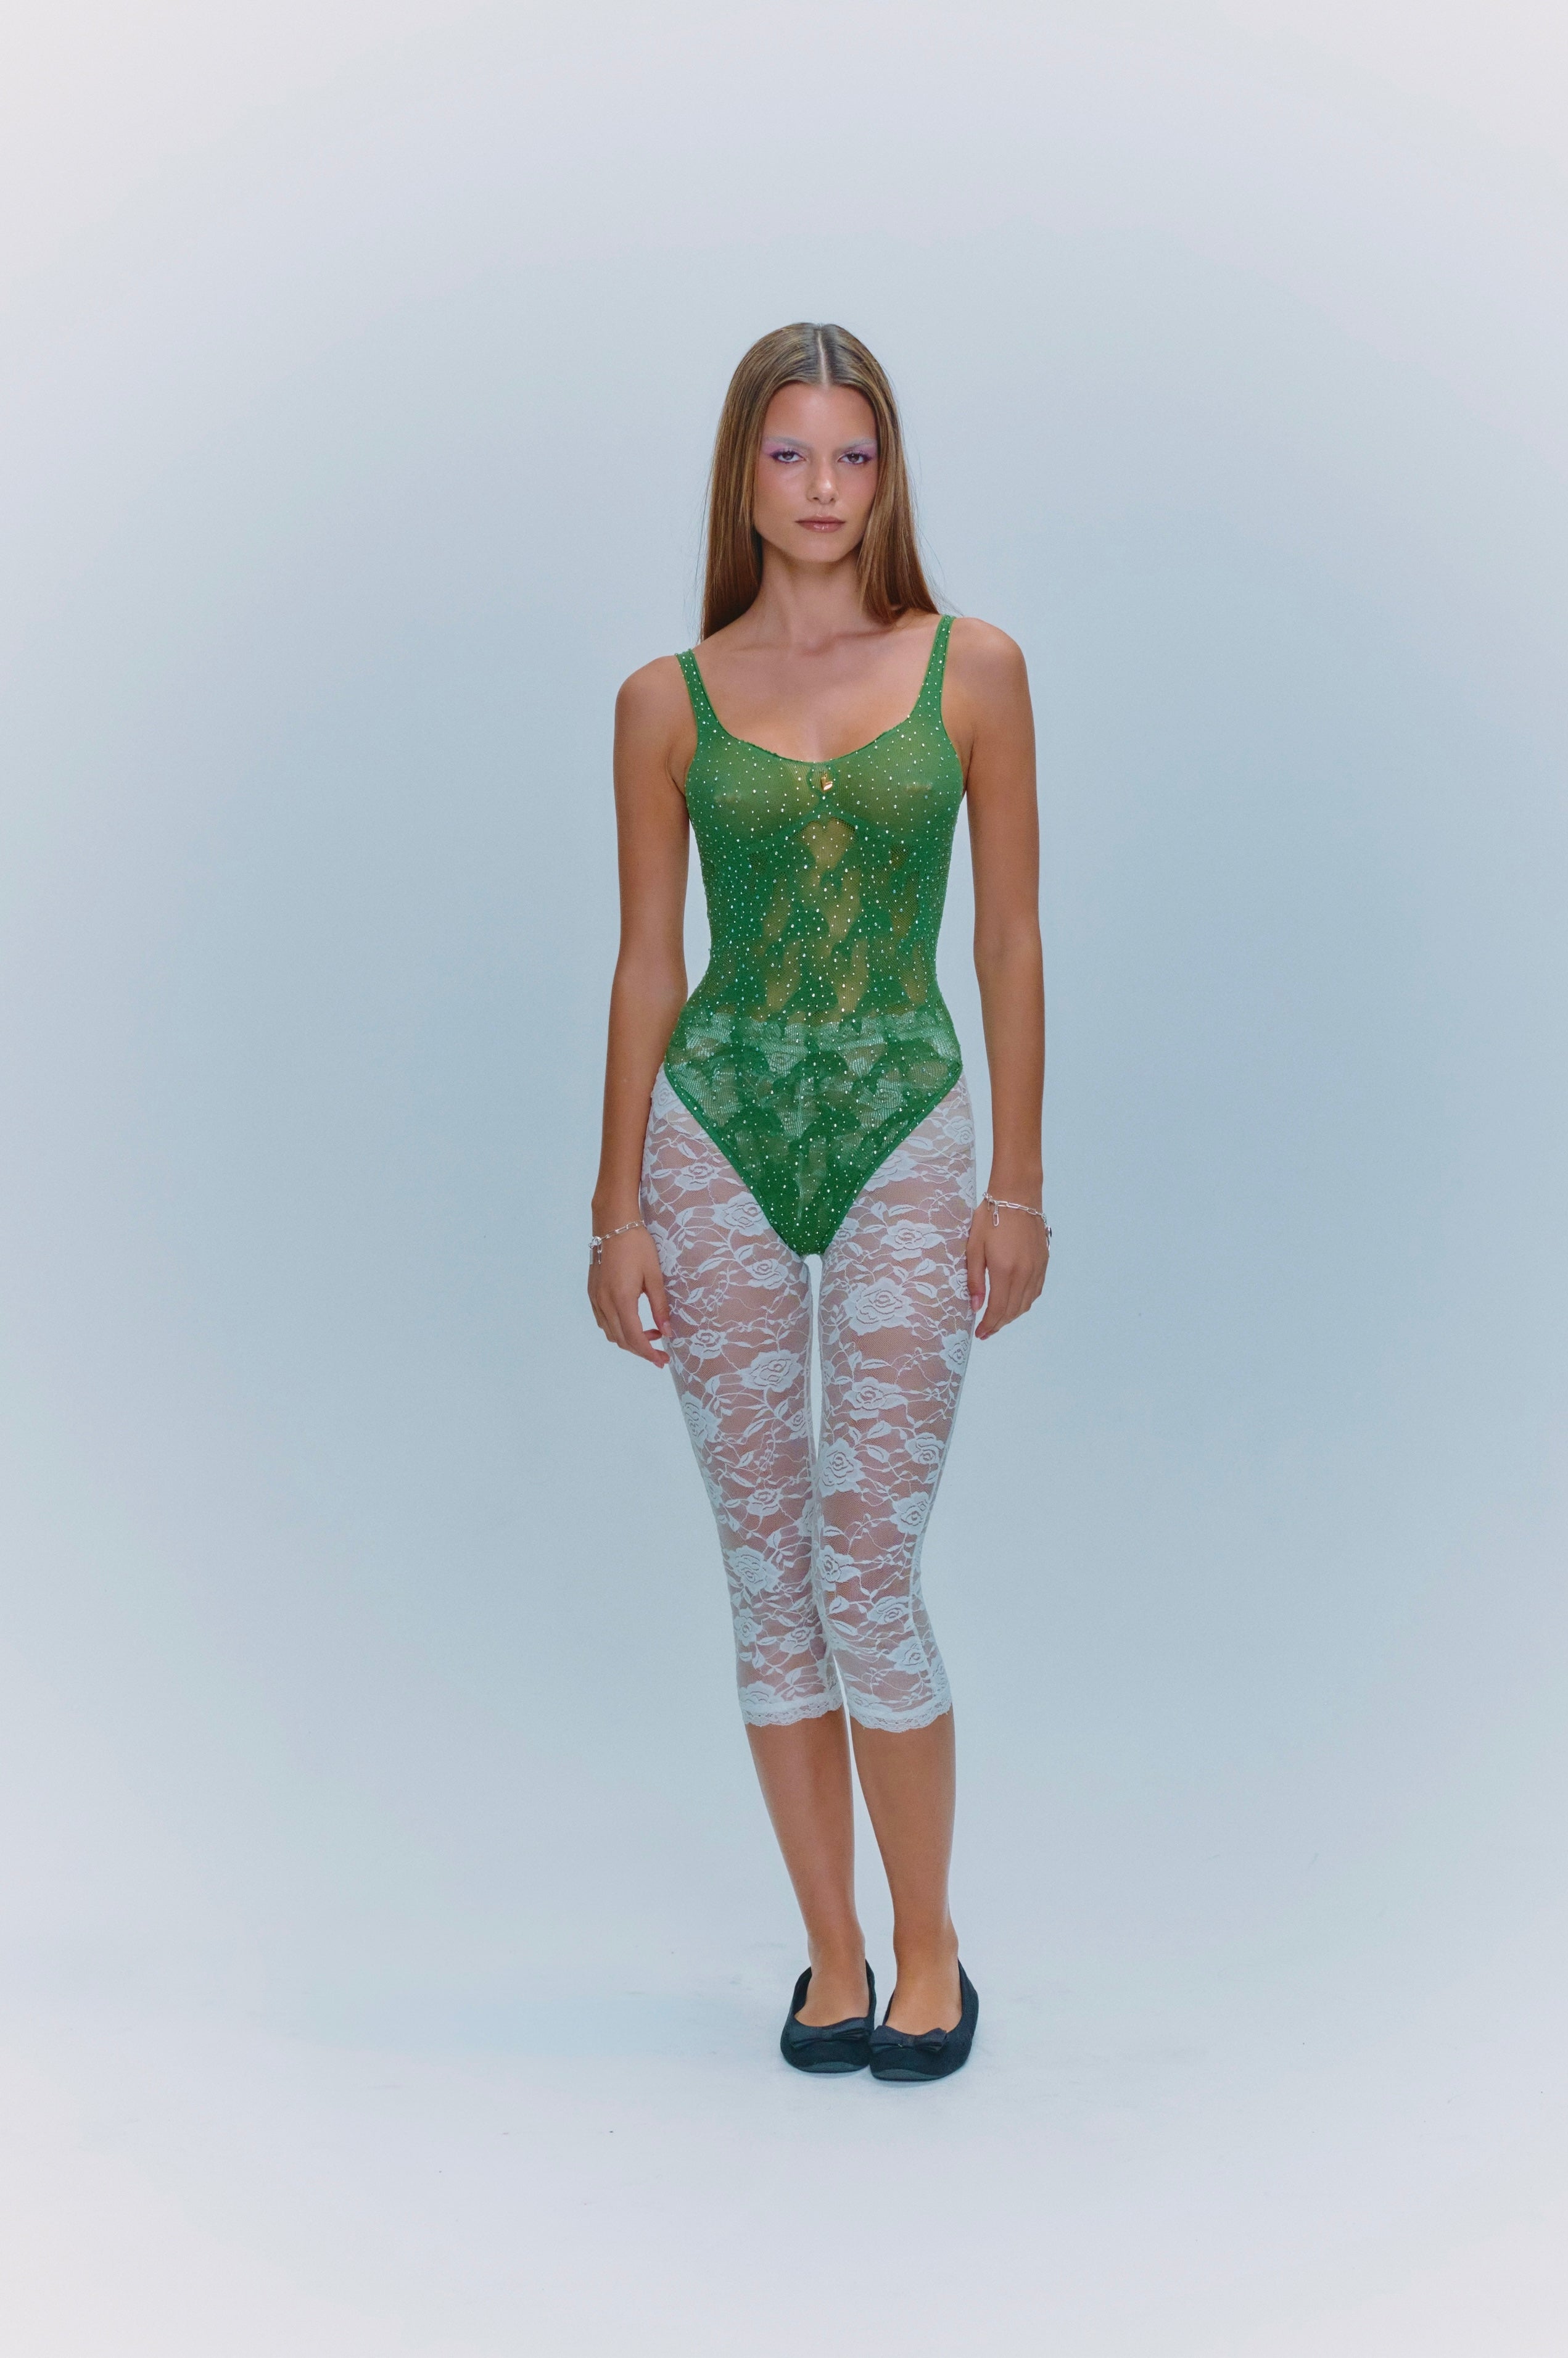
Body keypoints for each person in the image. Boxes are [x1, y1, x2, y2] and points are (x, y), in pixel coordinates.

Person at [587, 323, 1047, 2082]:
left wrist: (1018, 1185)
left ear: (887, 473)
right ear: (744, 473)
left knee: (867, 1563)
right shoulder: (665, 700)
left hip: (907, 1122)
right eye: (790, 453)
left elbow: (1008, 938)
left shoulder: (971, 668)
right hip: (710, 1135)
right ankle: (834, 1955)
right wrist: (617, 1209)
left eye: (853, 454)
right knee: (765, 1573)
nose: (824, 486)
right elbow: (647, 961)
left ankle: (931, 1949)